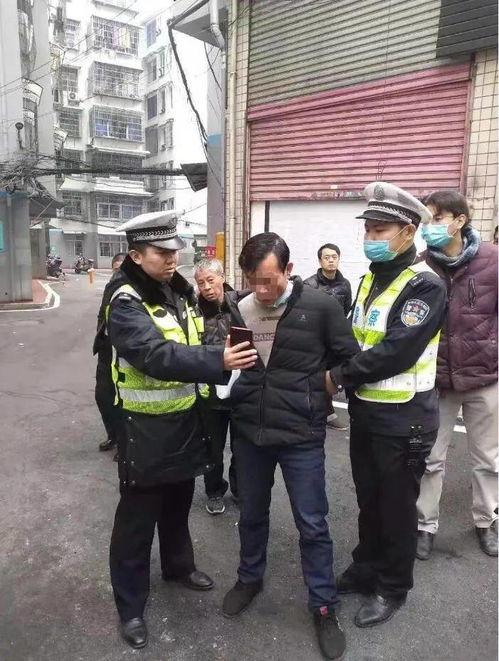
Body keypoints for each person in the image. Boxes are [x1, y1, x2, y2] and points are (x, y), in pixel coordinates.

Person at [106, 211, 257, 649]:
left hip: (185, 420)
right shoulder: (125, 301)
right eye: (161, 252)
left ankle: (178, 567)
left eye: (174, 251)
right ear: (137, 255)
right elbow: (154, 355)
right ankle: (131, 606)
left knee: (177, 504)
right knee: (136, 522)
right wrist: (216, 361)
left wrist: (222, 348)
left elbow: (192, 340)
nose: (172, 259)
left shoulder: (179, 291)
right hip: (145, 428)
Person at [222, 232, 359, 661]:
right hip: (251, 432)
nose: (261, 290)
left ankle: (323, 605)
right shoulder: (239, 307)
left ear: (289, 270)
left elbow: (350, 356)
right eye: (253, 280)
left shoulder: (321, 306)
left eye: (269, 280)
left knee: (312, 522)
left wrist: (328, 382)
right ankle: (249, 578)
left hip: (301, 434)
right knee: (251, 514)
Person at [330, 182, 447, 628]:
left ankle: (392, 587)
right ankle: (366, 567)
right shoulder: (368, 279)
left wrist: (337, 376)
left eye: (380, 230)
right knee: (369, 499)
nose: (371, 237)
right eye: (368, 230)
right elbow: (353, 338)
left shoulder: (424, 285)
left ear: (408, 232)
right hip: (367, 412)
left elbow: (398, 350)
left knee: (397, 508)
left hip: (405, 419)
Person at [416, 190, 498, 560]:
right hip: (437, 380)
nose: (429, 227)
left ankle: (486, 520)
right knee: (430, 459)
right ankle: (425, 525)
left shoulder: (493, 261)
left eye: (436, 218)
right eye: (426, 219)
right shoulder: (421, 265)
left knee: (488, 459)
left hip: (486, 378)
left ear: (460, 220)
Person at [194, 258, 238, 515]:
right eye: (201, 283)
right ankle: (214, 491)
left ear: (222, 277)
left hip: (240, 389)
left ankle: (240, 489)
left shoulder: (241, 303)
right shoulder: (194, 311)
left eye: (210, 280)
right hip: (209, 390)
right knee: (212, 448)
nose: (207, 287)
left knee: (243, 447)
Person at [304, 243, 352, 431]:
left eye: (334, 257)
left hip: (335, 338)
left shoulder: (345, 284)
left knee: (331, 375)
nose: (331, 260)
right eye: (326, 257)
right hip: (314, 337)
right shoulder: (309, 284)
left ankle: (325, 411)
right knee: (313, 374)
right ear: (320, 261)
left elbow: (346, 309)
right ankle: (324, 413)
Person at [94, 252, 126, 458]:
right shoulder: (110, 287)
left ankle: (125, 445)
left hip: (124, 352)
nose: (118, 274)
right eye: (115, 269)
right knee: (103, 396)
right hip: (106, 348)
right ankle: (113, 435)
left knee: (122, 400)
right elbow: (102, 313)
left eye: (121, 270)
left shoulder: (132, 291)